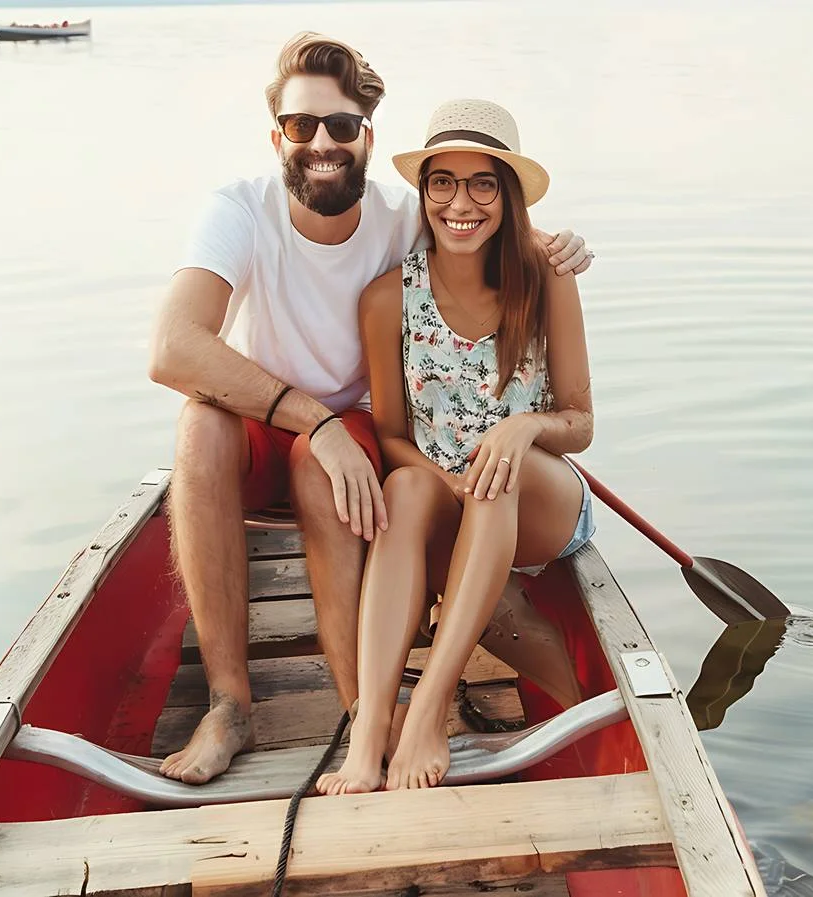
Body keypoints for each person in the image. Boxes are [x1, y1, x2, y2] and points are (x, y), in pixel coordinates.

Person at [147, 34, 593, 785]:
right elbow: (172, 348)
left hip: (460, 466)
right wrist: (314, 420)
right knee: (205, 425)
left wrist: (554, 247)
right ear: (277, 135)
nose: (321, 141)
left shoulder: (409, 220)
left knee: (424, 474)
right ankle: (236, 703)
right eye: (301, 125)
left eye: (341, 126)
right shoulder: (245, 213)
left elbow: (481, 225)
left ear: (367, 136)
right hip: (300, 427)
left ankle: (386, 710)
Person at [316, 99, 595, 794]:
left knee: (500, 471)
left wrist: (522, 427)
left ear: (506, 195)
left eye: (481, 183)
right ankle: (372, 722)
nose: (459, 202)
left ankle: (432, 705)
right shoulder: (388, 298)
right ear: (424, 192)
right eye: (443, 182)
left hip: (541, 500)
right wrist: (449, 482)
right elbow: (388, 437)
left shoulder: (546, 277)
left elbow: (581, 422)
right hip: (452, 499)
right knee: (405, 486)